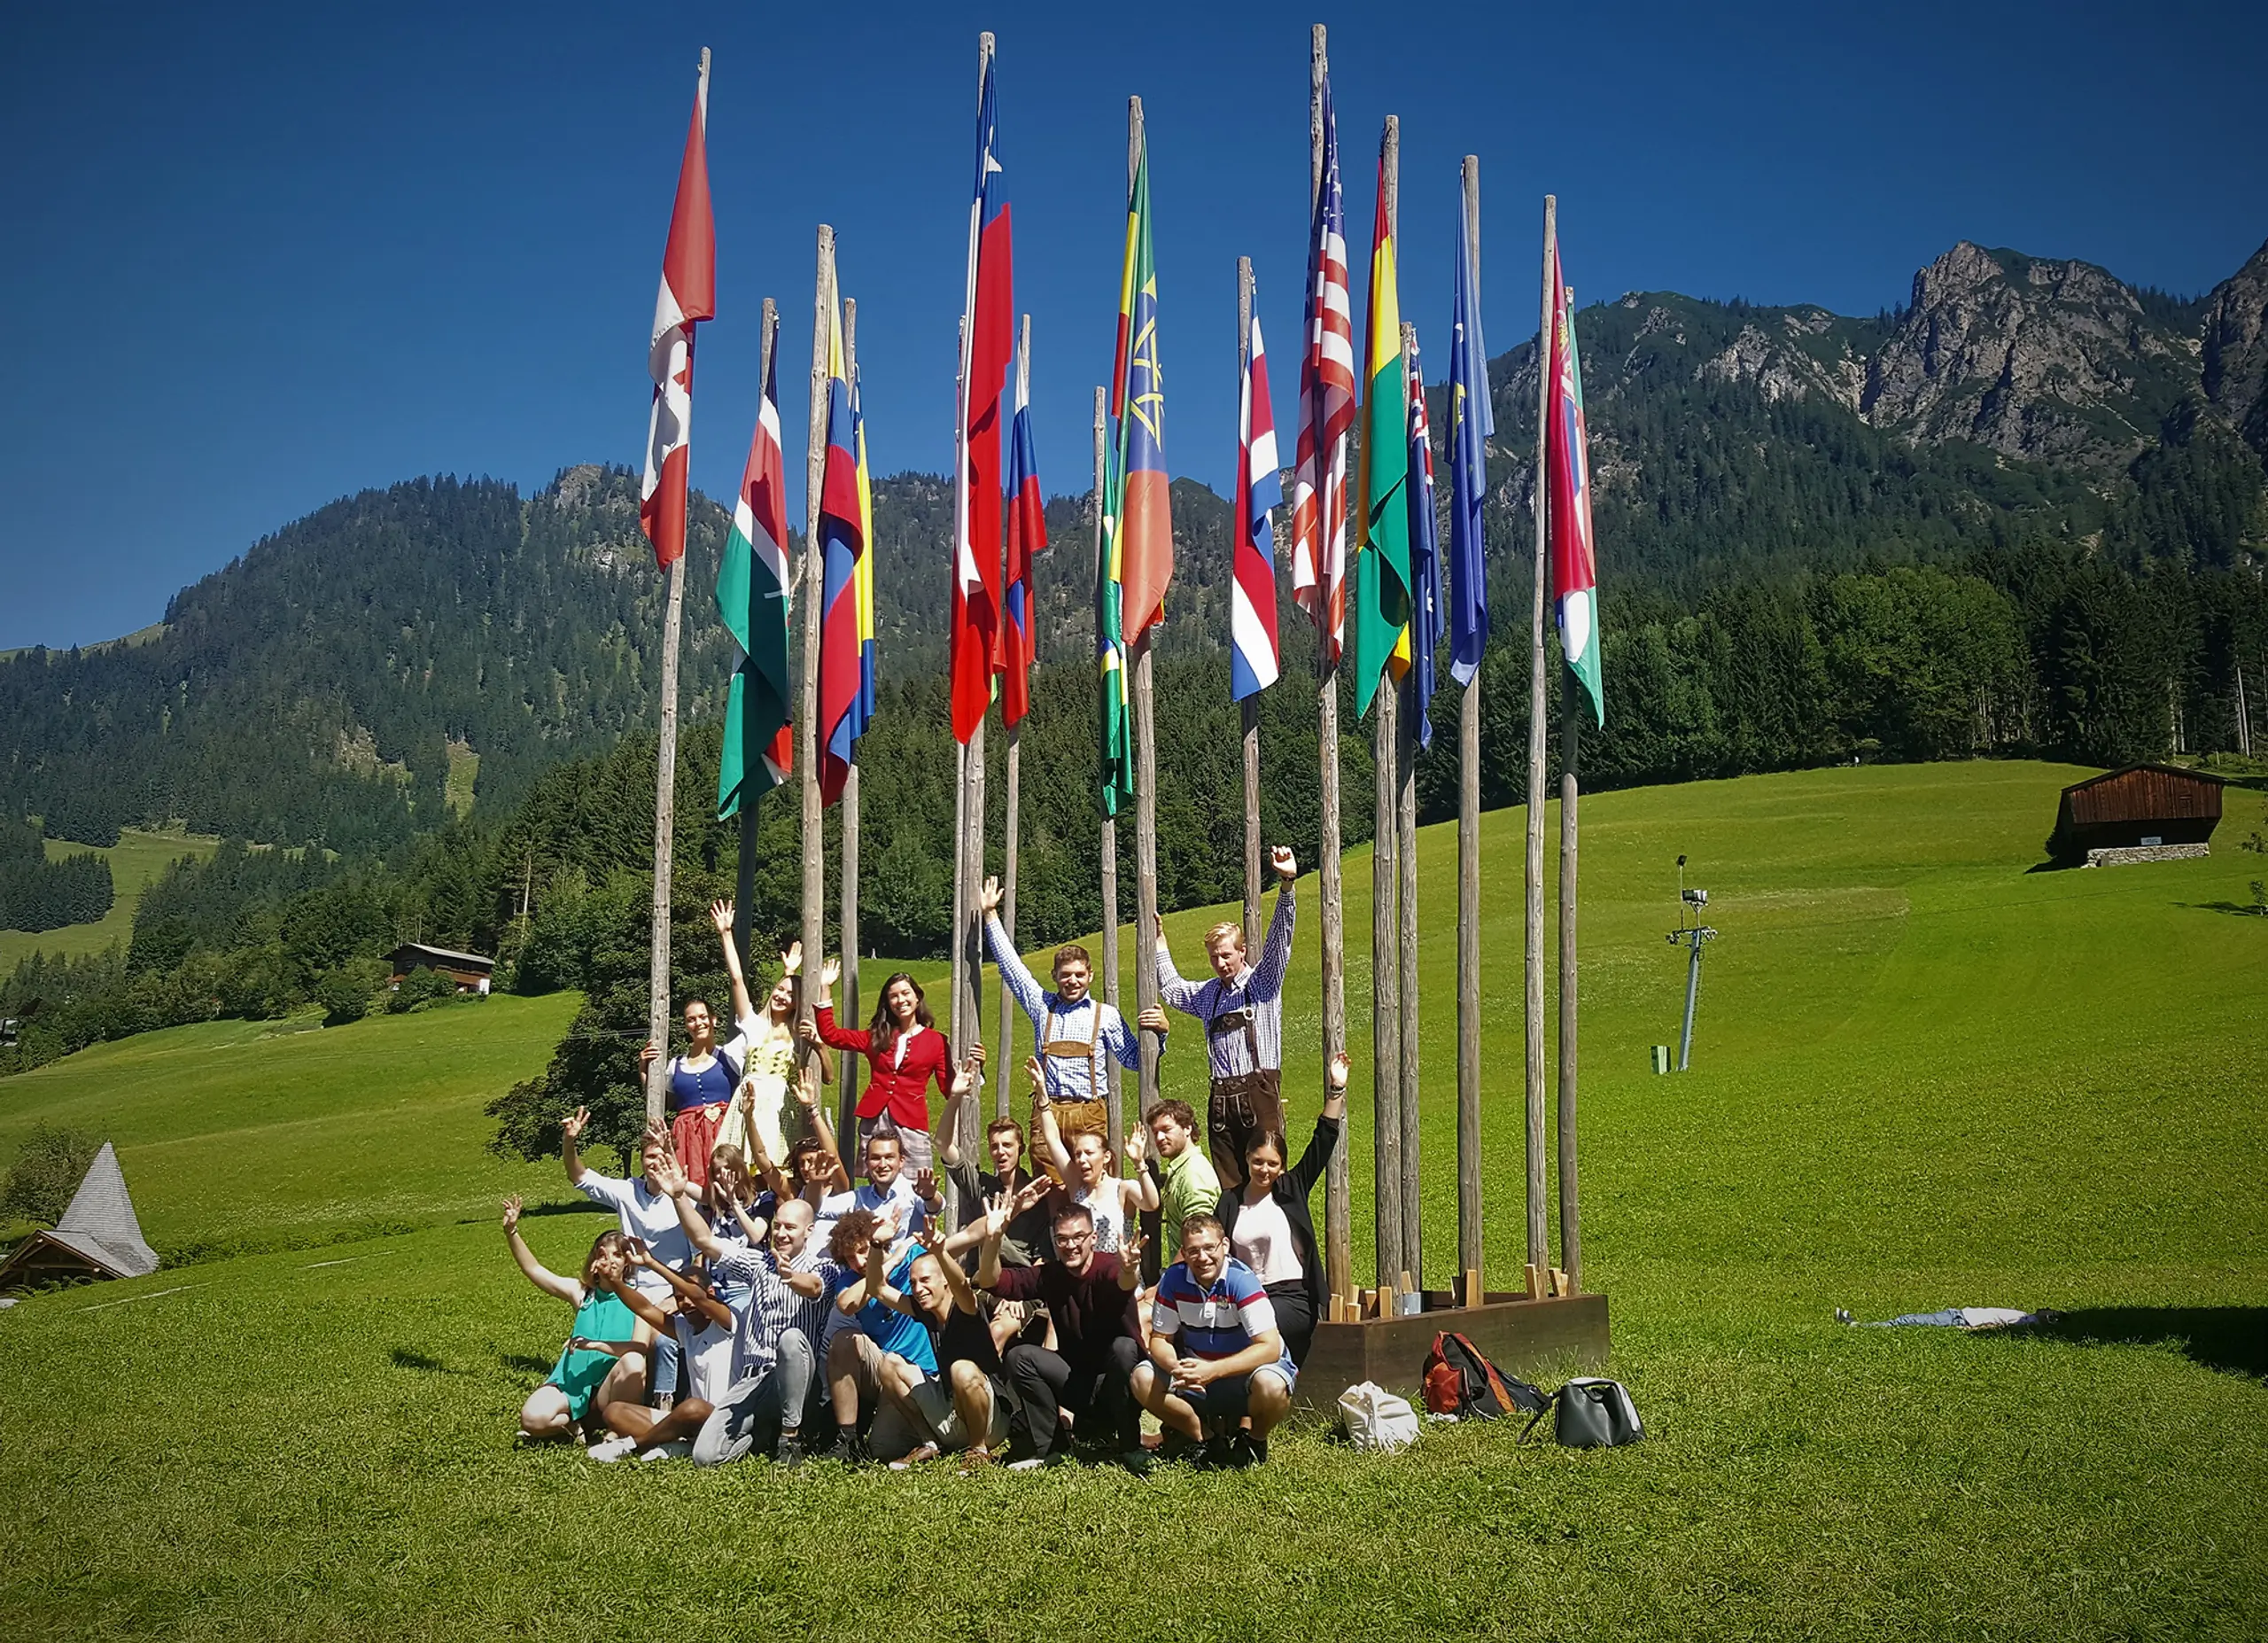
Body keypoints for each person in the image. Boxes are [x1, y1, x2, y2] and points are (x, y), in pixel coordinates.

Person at [658, 1158, 828, 1468]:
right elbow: (705, 1241)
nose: (782, 1233)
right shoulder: (759, 1263)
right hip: (752, 1379)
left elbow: (815, 1287)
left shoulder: (821, 1266)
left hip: (796, 1381)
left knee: (791, 1339)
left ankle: (790, 1440)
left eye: (791, 1227)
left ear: (809, 1230)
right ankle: (763, 1433)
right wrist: (678, 1196)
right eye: (778, 1225)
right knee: (705, 1456)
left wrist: (791, 1278)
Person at [980, 875, 1168, 1149]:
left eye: (1079, 974)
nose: (1073, 980)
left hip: (1089, 1116)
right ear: (1054, 975)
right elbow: (1013, 968)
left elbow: (1136, 1061)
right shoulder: (1042, 1006)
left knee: (1092, 1189)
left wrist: (1161, 1034)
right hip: (1047, 1113)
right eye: (1066, 975)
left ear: (1090, 975)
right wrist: (990, 914)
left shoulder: (1106, 1015)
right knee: (1051, 1190)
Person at [1154, 845, 1298, 1190]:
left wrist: (1287, 886)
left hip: (1259, 1091)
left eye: (1226, 955)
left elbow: (1280, 941)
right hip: (1220, 1101)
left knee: (1269, 1176)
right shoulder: (1208, 995)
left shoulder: (1263, 983)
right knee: (1230, 1187)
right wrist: (1159, 943)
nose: (1220, 963)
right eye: (1214, 957)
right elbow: (1173, 989)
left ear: (1242, 951)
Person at [976, 1199, 1146, 1469]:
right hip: (1076, 1383)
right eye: (1062, 1239)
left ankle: (1130, 1446)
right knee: (1021, 1356)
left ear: (1093, 1238)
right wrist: (993, 1240)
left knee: (1124, 1349)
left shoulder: (1108, 1267)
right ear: (1055, 1241)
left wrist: (1129, 1270)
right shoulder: (1050, 1274)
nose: (1071, 1245)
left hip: (1119, 1386)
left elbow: (1124, 1282)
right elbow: (991, 1281)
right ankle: (1051, 1448)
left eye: (1079, 1237)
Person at [1216, 1050, 1348, 1369]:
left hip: (1292, 1298)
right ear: (1246, 1159)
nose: (1264, 1169)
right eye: (1258, 1161)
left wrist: (1336, 1090)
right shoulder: (1229, 1201)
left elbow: (1323, 1140)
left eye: (1272, 1164)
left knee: (1254, 1328)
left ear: (1282, 1167)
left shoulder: (1291, 1189)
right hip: (1246, 1296)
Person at [1133, 1212, 1293, 1468]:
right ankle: (1203, 1438)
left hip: (1244, 1375)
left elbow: (1270, 1347)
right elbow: (1160, 1339)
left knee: (1272, 1385)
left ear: (1225, 1246)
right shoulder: (1173, 1280)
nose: (1203, 1258)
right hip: (1197, 1370)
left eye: (1210, 1248)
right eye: (1193, 1251)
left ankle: (1253, 1441)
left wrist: (1213, 1370)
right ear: (1183, 1253)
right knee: (1141, 1379)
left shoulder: (1242, 1281)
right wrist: (1176, 1367)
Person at [562, 1107, 695, 1403]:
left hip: (674, 1290)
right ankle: (603, 1403)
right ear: (641, 1160)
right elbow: (579, 1176)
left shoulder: (684, 1197)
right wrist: (570, 1141)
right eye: (649, 1156)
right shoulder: (627, 1191)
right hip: (632, 1289)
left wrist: (680, 1296)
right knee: (632, 1346)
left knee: (661, 1342)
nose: (655, 1163)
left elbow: (698, 1256)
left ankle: (663, 1405)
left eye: (662, 1156)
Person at [634, 901, 764, 1192]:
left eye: (703, 1017)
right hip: (687, 1139)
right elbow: (659, 1101)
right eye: (691, 1019)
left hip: (724, 1133)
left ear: (714, 1020)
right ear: (686, 1026)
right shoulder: (674, 1066)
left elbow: (739, 985)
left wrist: (726, 934)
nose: (698, 1023)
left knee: (730, 1191)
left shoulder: (730, 1053)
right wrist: (644, 1070)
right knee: (691, 1192)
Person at [858, 1234, 1015, 1467]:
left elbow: (962, 1285)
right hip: (951, 1411)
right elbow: (876, 1288)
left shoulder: (965, 1306)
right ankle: (930, 1442)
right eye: (913, 1283)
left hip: (991, 1421)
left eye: (925, 1280)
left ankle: (978, 1450)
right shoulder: (925, 1311)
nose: (918, 1289)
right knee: (890, 1363)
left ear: (944, 1281)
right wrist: (876, 1245)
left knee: (961, 1369)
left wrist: (940, 1251)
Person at [500, 1197, 648, 1444]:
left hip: (610, 1390)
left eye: (617, 1255)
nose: (610, 1260)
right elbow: (535, 1270)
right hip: (572, 1386)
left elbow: (640, 1347)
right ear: (594, 1261)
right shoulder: (582, 1294)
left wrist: (595, 1345)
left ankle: (618, 1429)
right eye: (603, 1254)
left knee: (633, 1361)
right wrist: (511, 1231)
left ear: (627, 1263)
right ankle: (574, 1427)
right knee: (532, 1419)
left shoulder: (638, 1298)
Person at [584, 1239, 742, 1462]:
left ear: (710, 1292)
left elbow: (698, 1297)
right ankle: (678, 1444)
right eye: (678, 1298)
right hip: (690, 1422)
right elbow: (644, 1308)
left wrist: (653, 1264)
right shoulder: (685, 1330)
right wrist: (613, 1280)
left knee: (692, 1407)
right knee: (614, 1412)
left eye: (689, 1295)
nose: (685, 1302)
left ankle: (633, 1445)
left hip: (722, 1420)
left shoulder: (729, 1322)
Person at [804, 959, 963, 1175]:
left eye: (906, 993)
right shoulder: (877, 1036)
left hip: (911, 1120)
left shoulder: (936, 1041)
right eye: (893, 996)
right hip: (875, 1117)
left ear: (917, 997)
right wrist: (825, 988)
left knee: (917, 1182)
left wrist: (973, 1073)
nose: (901, 1000)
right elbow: (831, 1035)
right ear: (888, 1003)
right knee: (878, 1181)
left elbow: (949, 1087)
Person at [710, 904, 831, 1167]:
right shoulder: (753, 1024)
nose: (781, 996)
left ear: (796, 1003)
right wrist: (726, 933)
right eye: (779, 990)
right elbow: (737, 979)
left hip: (777, 1104)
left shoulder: (796, 1035)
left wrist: (822, 989)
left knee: (773, 1166)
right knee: (737, 1163)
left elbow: (828, 1073)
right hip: (749, 1096)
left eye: (790, 995)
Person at [822, 1206, 942, 1464]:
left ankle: (932, 1434)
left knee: (883, 1447)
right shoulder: (850, 1280)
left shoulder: (914, 1258)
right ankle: (848, 1438)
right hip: (884, 1370)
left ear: (878, 1241)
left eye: (864, 1251)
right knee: (843, 1341)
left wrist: (897, 1257)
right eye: (850, 1258)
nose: (859, 1262)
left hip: (925, 1371)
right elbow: (848, 1305)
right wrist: (888, 1262)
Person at [1032, 1059, 1157, 1257]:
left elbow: (1151, 1203)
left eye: (1088, 1153)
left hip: (1118, 1277)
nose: (1081, 1159)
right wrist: (1043, 1097)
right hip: (1086, 1278)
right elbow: (1053, 1140)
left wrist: (1139, 1164)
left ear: (1106, 1157)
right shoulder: (1078, 1189)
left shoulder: (1122, 1189)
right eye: (1078, 1154)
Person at [934, 1079, 1051, 1268]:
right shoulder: (981, 1186)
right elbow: (942, 1144)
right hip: (982, 1273)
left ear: (1021, 1149)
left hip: (1019, 1274)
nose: (1000, 1152)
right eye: (994, 1146)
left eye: (1007, 1145)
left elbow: (1043, 1255)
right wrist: (955, 1097)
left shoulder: (1037, 1193)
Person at [815, 1122, 951, 1250]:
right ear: (867, 1163)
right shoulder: (860, 1196)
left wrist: (929, 1196)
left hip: (909, 1267)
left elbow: (936, 1208)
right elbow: (818, 1208)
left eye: (889, 1157)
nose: (882, 1165)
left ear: (901, 1161)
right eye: (875, 1158)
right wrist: (814, 1182)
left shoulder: (912, 1190)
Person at [1146, 1098, 1221, 1257]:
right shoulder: (1182, 1169)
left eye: (1166, 1130)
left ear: (1187, 1128)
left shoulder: (1193, 1175)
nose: (1159, 1138)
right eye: (1155, 1132)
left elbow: (1198, 1237)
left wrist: (1170, 1277)